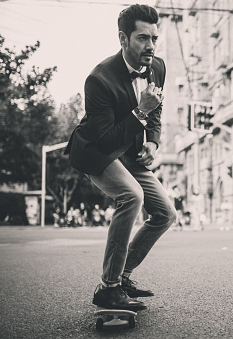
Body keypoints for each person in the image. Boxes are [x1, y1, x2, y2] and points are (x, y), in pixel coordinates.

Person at [64, 4, 176, 312]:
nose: (150, 46)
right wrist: (140, 110)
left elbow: (157, 109)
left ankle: (123, 276)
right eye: (142, 38)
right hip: (96, 151)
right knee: (131, 196)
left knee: (166, 214)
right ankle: (108, 288)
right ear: (123, 39)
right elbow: (106, 139)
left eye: (154, 37)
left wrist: (152, 142)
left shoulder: (157, 67)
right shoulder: (99, 80)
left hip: (130, 150)